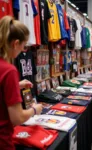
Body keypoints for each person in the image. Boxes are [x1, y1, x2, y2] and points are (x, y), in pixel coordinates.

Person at [0, 16, 43, 150]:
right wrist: (34, 109)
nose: (22, 50)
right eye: (23, 46)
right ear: (15, 43)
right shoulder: (9, 70)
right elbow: (17, 118)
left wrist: (16, 85)